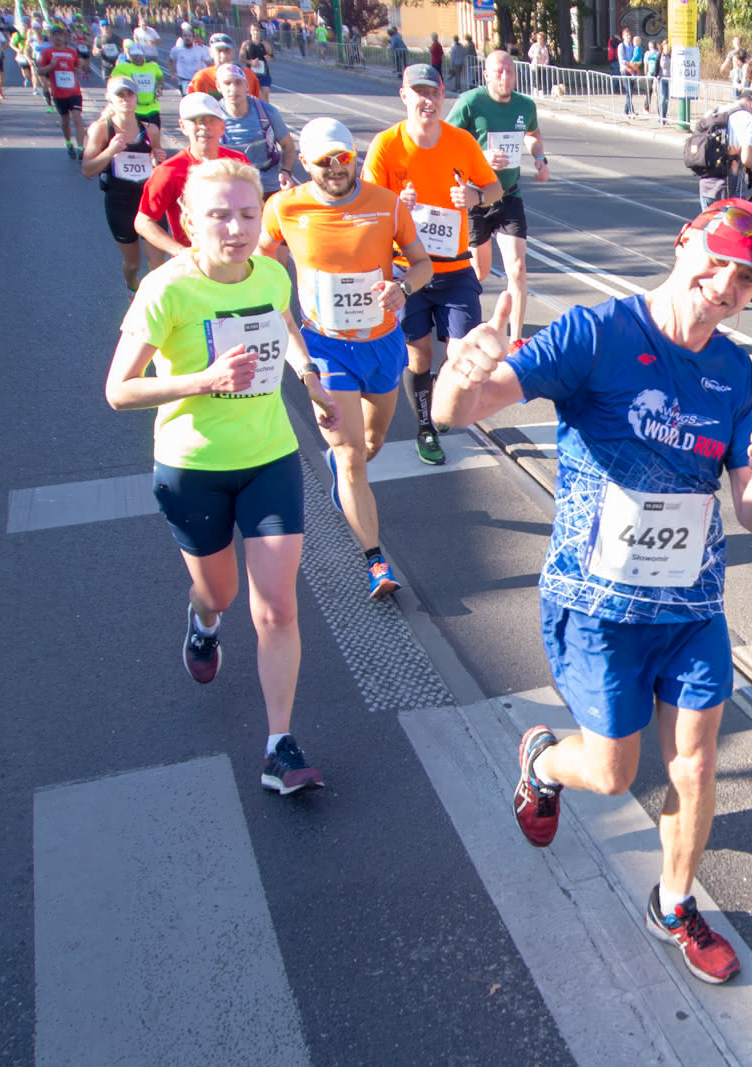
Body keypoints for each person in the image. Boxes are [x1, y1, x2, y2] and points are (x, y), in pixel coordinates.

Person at [430, 196, 752, 987]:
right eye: (719, 259)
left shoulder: (735, 374)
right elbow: (459, 411)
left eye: (747, 278)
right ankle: (545, 762)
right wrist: (462, 374)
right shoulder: (595, 336)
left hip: (691, 607)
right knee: (614, 772)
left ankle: (672, 903)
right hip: (598, 606)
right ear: (684, 241)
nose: (725, 284)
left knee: (693, 766)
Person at [106, 157, 339, 797]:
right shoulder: (167, 290)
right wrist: (203, 381)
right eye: (219, 216)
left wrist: (310, 380)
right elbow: (117, 391)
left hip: (270, 457)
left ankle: (279, 747)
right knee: (221, 595)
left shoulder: (268, 272)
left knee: (277, 607)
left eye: (246, 213)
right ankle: (202, 623)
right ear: (188, 221)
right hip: (193, 468)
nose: (235, 228)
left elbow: (285, 326)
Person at [260, 117, 434, 600]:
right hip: (325, 346)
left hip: (381, 345)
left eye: (344, 157)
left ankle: (351, 481)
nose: (337, 168)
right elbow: (261, 255)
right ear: (306, 164)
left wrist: (401, 288)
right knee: (350, 454)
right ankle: (375, 562)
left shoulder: (386, 204)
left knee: (373, 442)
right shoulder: (285, 207)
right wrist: (272, 297)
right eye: (325, 161)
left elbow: (423, 265)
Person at [361, 63, 501, 467]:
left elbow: (494, 187)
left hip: (455, 266)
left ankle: (442, 397)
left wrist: (474, 197)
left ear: (443, 97)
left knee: (461, 353)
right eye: (419, 92)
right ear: (404, 96)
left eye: (435, 93)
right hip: (408, 269)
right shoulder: (387, 145)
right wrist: (394, 204)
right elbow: (368, 201)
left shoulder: (460, 142)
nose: (428, 100)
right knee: (419, 355)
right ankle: (425, 426)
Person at [448, 51, 549, 349]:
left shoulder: (524, 105)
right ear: (487, 75)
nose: (505, 77)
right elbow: (447, 142)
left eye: (509, 72)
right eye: (499, 72)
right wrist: (481, 156)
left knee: (517, 268)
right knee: (478, 272)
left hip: (508, 195)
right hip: (475, 198)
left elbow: (533, 133)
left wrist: (540, 158)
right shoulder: (471, 103)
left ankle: (516, 339)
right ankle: (466, 329)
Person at [135, 92, 248, 257]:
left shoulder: (238, 161)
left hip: (236, 256)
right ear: (182, 126)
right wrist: (180, 252)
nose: (204, 126)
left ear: (222, 127)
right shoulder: (168, 172)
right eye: (196, 120)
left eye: (211, 120)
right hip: (195, 264)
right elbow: (143, 221)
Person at [81, 77, 166, 290]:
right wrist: (110, 151)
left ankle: (155, 302)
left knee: (157, 263)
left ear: (137, 98)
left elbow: (157, 163)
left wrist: (159, 159)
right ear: (109, 98)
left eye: (130, 94)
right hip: (120, 203)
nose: (126, 99)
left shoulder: (150, 130)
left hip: (149, 201)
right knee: (133, 263)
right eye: (120, 95)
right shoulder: (102, 129)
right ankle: (131, 285)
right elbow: (87, 169)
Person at [214, 62, 296, 199]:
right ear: (218, 87)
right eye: (227, 83)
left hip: (267, 186)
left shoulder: (267, 112)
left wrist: (286, 172)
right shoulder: (213, 116)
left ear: (247, 86)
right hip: (229, 189)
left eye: (238, 82)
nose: (233, 89)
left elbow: (288, 146)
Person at [696, 90, 752, 211]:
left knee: (710, 228)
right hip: (729, 189)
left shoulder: (715, 112)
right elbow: (747, 158)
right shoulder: (749, 119)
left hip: (707, 187)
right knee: (732, 229)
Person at [36, 24, 85, 158]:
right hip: (58, 93)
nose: (57, 38)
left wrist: (78, 68)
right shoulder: (47, 52)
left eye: (60, 35)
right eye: (54, 35)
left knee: (77, 117)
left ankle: (81, 148)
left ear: (65, 37)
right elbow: (39, 71)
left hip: (74, 92)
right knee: (65, 120)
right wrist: (51, 65)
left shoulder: (72, 52)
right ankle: (69, 143)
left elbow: (76, 67)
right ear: (51, 38)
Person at [186, 33, 261, 97]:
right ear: (211, 52)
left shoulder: (248, 76)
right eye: (219, 51)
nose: (223, 55)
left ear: (233, 52)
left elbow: (258, 106)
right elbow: (191, 107)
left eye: (227, 50)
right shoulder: (202, 78)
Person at [110, 39, 164, 126]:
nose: (137, 57)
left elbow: (160, 77)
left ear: (143, 55)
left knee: (154, 135)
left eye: (139, 55)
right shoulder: (123, 67)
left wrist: (159, 87)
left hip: (152, 108)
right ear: (130, 56)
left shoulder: (153, 66)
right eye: (134, 55)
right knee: (137, 137)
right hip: (134, 109)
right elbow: (112, 81)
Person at [615, 27, 638, 116]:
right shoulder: (621, 46)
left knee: (630, 91)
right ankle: (631, 111)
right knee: (628, 90)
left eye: (630, 35)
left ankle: (626, 111)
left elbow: (636, 57)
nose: (629, 37)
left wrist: (635, 64)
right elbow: (622, 60)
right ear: (623, 36)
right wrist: (630, 64)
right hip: (625, 70)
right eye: (627, 35)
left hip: (632, 70)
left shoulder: (633, 46)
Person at [642, 36, 659, 114]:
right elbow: (645, 64)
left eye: (651, 45)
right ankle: (646, 108)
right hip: (649, 74)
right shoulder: (647, 53)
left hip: (657, 74)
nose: (650, 47)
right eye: (649, 45)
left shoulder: (658, 53)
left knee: (658, 92)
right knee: (648, 91)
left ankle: (659, 109)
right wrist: (645, 73)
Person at [657, 40, 672, 121]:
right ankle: (660, 115)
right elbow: (656, 66)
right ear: (663, 48)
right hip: (661, 79)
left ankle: (664, 116)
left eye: (668, 48)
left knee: (666, 99)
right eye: (666, 47)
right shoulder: (660, 56)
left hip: (669, 79)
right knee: (662, 98)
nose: (667, 49)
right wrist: (655, 77)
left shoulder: (671, 56)